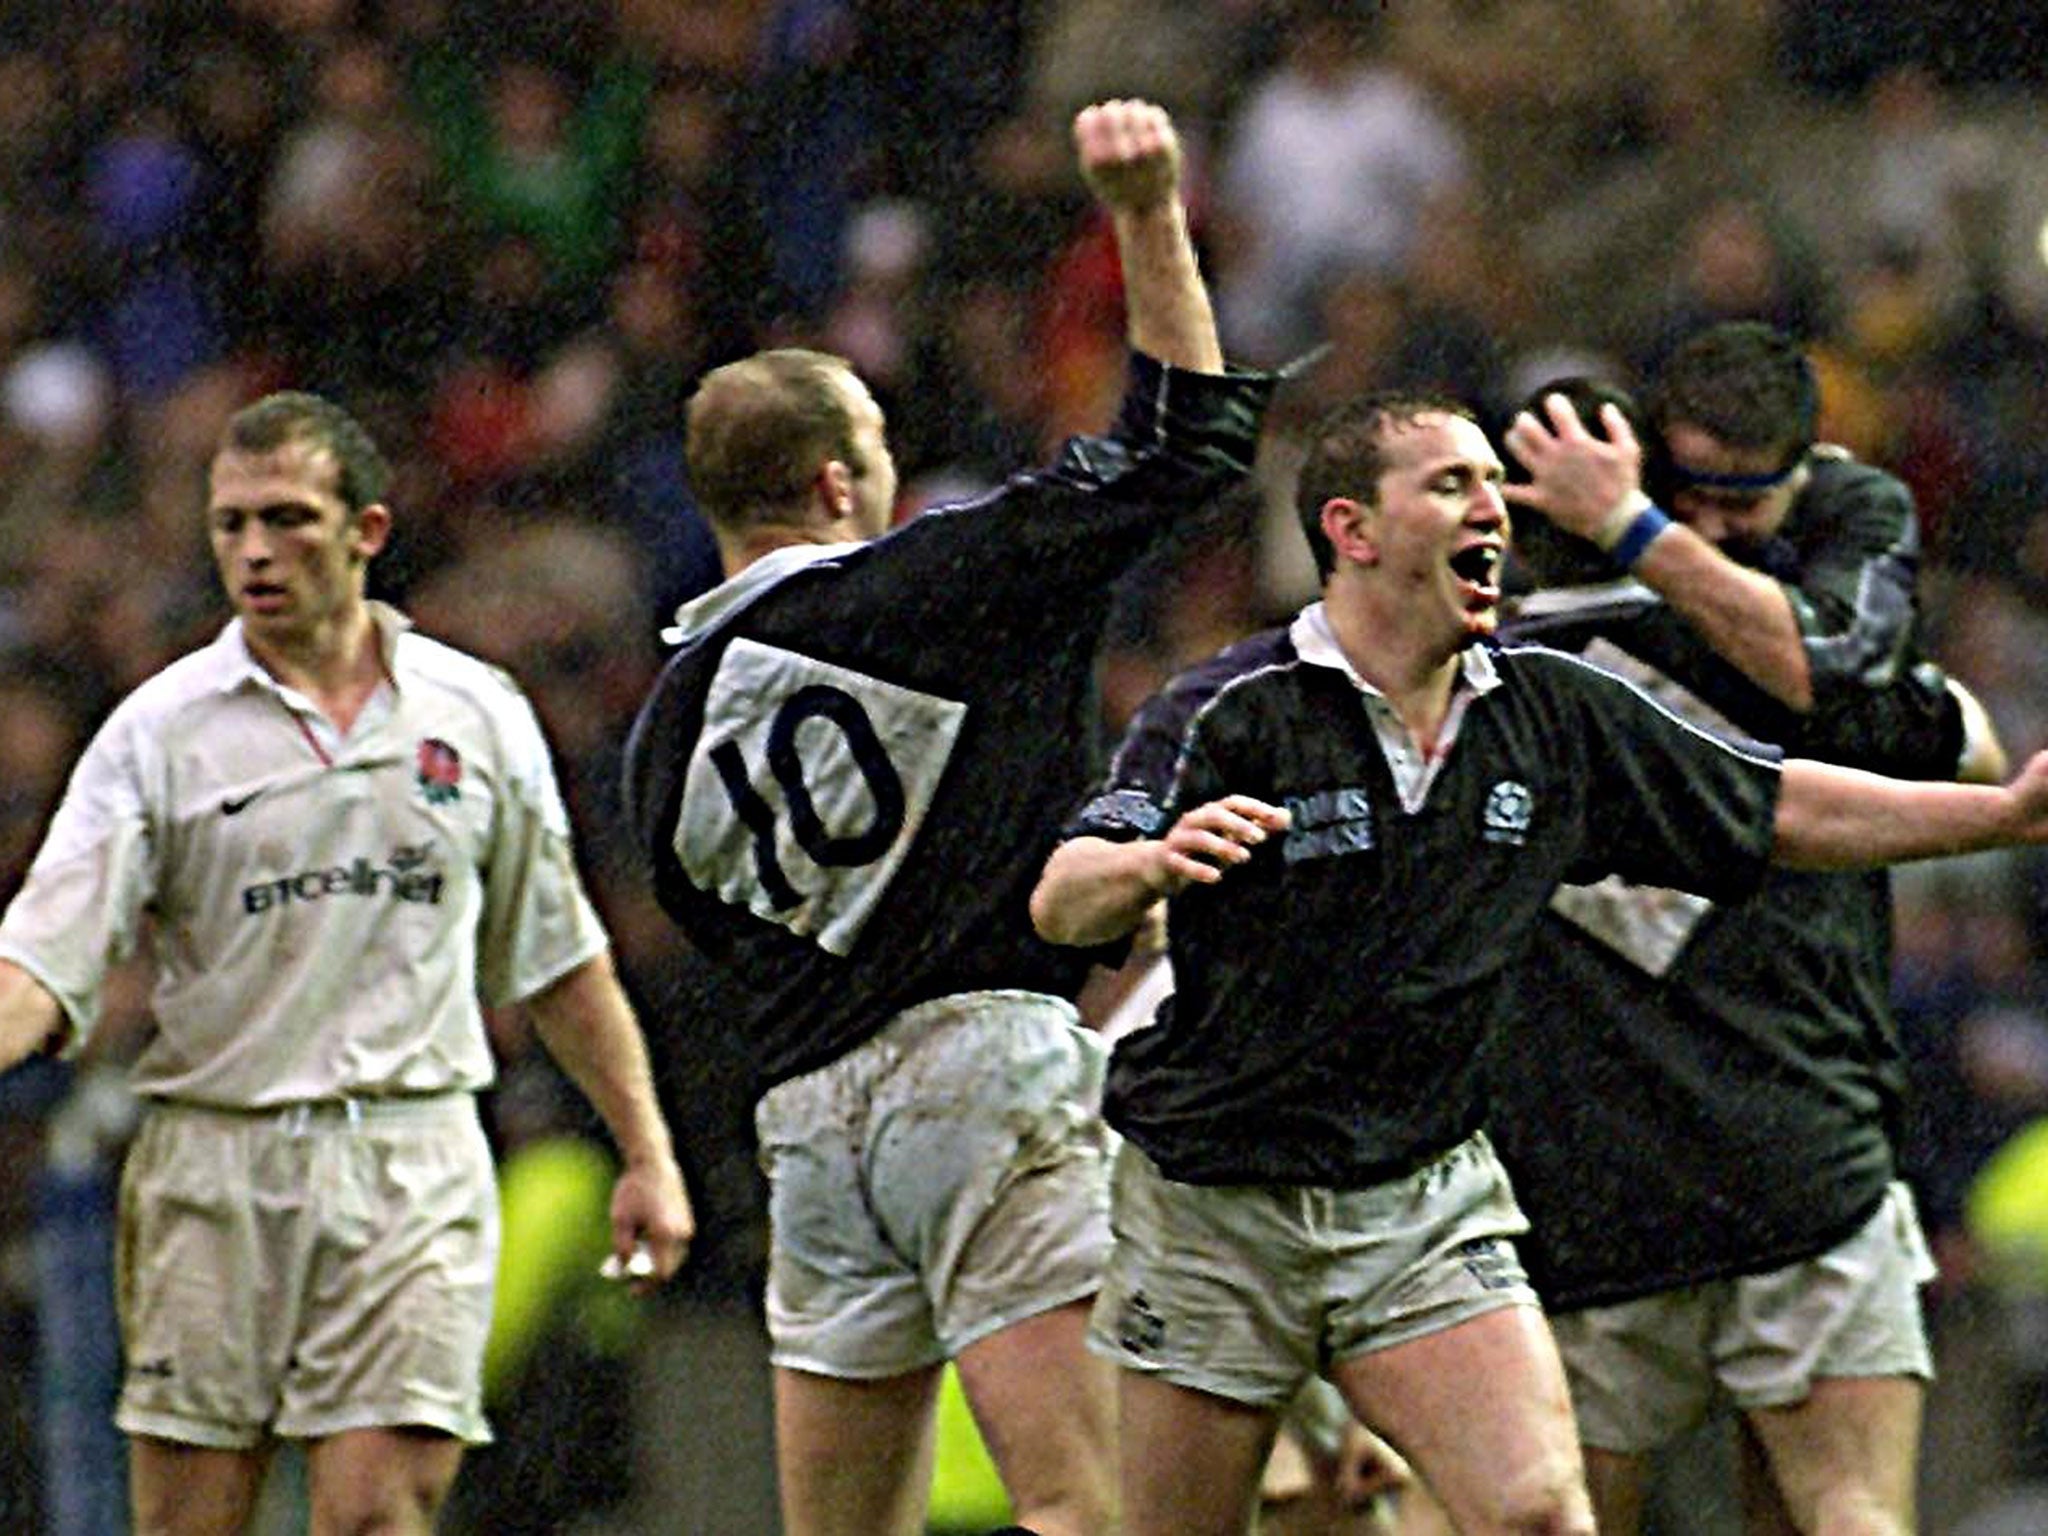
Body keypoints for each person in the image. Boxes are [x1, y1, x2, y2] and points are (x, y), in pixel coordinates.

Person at [1025, 388, 2048, 1536]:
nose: (1490, 510)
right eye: (1450, 484)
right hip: (1217, 1207)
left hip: (1419, 1201)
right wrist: (1149, 864)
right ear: (1352, 530)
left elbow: (1773, 805)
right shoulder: (1230, 707)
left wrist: (1999, 816)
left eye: (1490, 484)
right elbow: (1063, 898)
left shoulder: (1546, 711)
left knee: (1538, 1517)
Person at [620, 99, 1277, 1536]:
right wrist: (1150, 208)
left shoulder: (661, 733)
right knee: (1083, 1505)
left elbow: (701, 932)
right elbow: (1190, 444)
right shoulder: (928, 584)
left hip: (805, 1123)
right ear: (841, 482)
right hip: (981, 1075)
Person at [0, 389, 694, 1536]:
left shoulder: (476, 716)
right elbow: (39, 962)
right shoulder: (157, 732)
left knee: (377, 1511)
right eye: (231, 526)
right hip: (213, 1164)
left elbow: (559, 961)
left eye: (287, 520)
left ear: (366, 530)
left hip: (409, 1160)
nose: (255, 553)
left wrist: (646, 1153)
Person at [1492, 338, 2000, 1535]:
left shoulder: (1472, 688)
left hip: (1587, 1186)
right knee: (1848, 1514)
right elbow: (1967, 740)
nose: (1714, 529)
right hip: (1796, 1156)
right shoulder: (1808, 680)